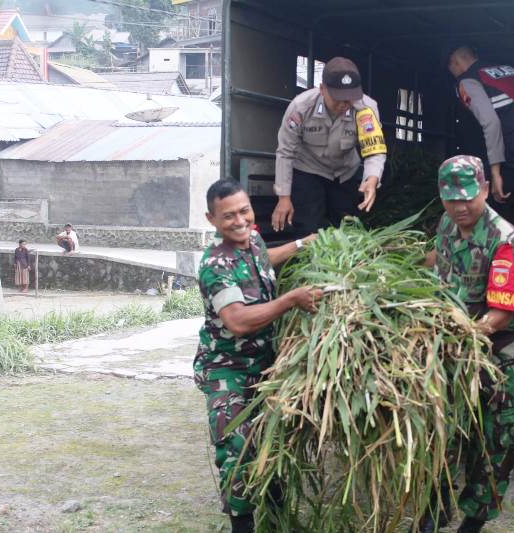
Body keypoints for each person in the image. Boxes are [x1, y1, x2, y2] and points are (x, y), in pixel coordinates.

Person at [193, 179, 324, 533]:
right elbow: (236, 320)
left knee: (274, 440)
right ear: (211, 219)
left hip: (264, 364)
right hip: (228, 370)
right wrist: (290, 300)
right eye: (228, 216)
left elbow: (265, 257)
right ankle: (243, 525)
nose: (239, 220)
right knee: (237, 447)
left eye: (244, 211)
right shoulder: (215, 265)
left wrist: (301, 243)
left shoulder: (252, 240)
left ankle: (278, 514)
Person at [419, 155, 514, 533]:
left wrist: (461, 336)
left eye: (468, 197)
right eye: (452, 199)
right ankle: (434, 512)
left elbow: (500, 313)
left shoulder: (504, 239)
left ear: (485, 189)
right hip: (457, 352)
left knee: (495, 441)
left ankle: (474, 520)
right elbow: (439, 266)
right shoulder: (446, 227)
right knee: (448, 434)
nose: (460, 207)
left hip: (501, 357)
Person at [447, 45, 514, 319]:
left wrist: (495, 172)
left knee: (493, 213)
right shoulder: (507, 70)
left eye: (451, 68)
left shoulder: (467, 81)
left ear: (456, 62)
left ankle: (488, 293)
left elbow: (491, 124)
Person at [271, 56, 387, 235]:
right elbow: (285, 152)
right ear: (322, 89)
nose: (343, 104)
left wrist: (372, 179)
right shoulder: (300, 108)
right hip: (308, 170)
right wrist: (284, 197)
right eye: (337, 98)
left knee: (346, 229)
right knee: (308, 228)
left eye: (349, 99)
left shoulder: (366, 109)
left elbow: (374, 150)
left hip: (344, 173)